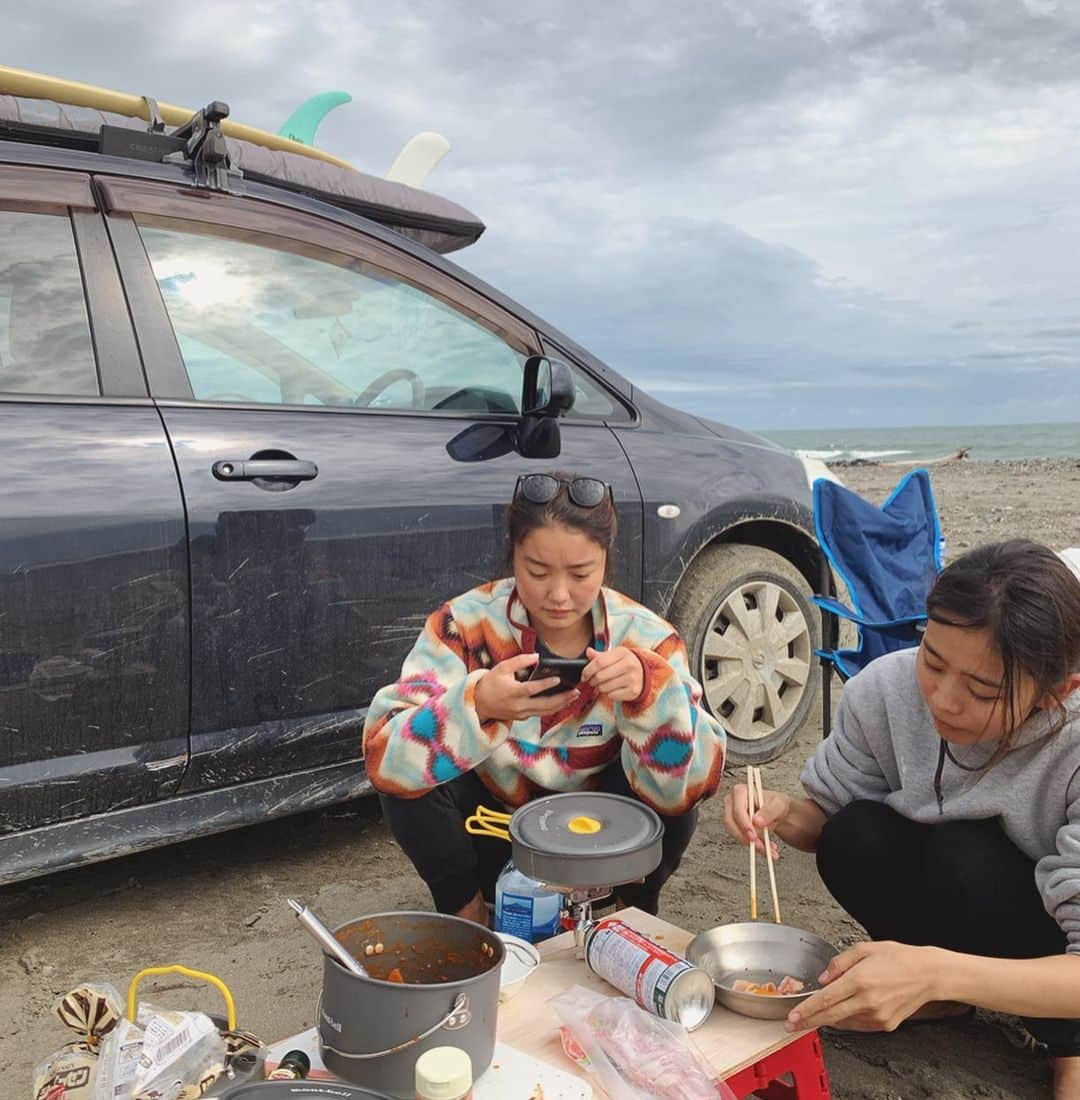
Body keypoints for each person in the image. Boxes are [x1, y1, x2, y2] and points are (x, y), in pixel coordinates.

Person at [723, 539, 1080, 1098]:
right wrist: (782, 812)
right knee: (854, 834)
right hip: (959, 905)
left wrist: (933, 967)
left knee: (966, 853)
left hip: (1050, 933)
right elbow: (828, 819)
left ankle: (1071, 1046)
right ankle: (946, 998)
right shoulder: (885, 691)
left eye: (982, 690)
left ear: (1056, 692)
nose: (943, 699)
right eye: (932, 661)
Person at [364, 471, 726, 925]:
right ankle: (470, 918)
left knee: (672, 794)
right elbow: (382, 755)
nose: (557, 595)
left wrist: (651, 697)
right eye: (536, 571)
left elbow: (694, 784)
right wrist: (477, 705)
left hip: (600, 846)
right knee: (408, 776)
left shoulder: (646, 637)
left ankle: (628, 920)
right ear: (512, 553)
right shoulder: (463, 625)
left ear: (605, 561)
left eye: (580, 574)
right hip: (495, 835)